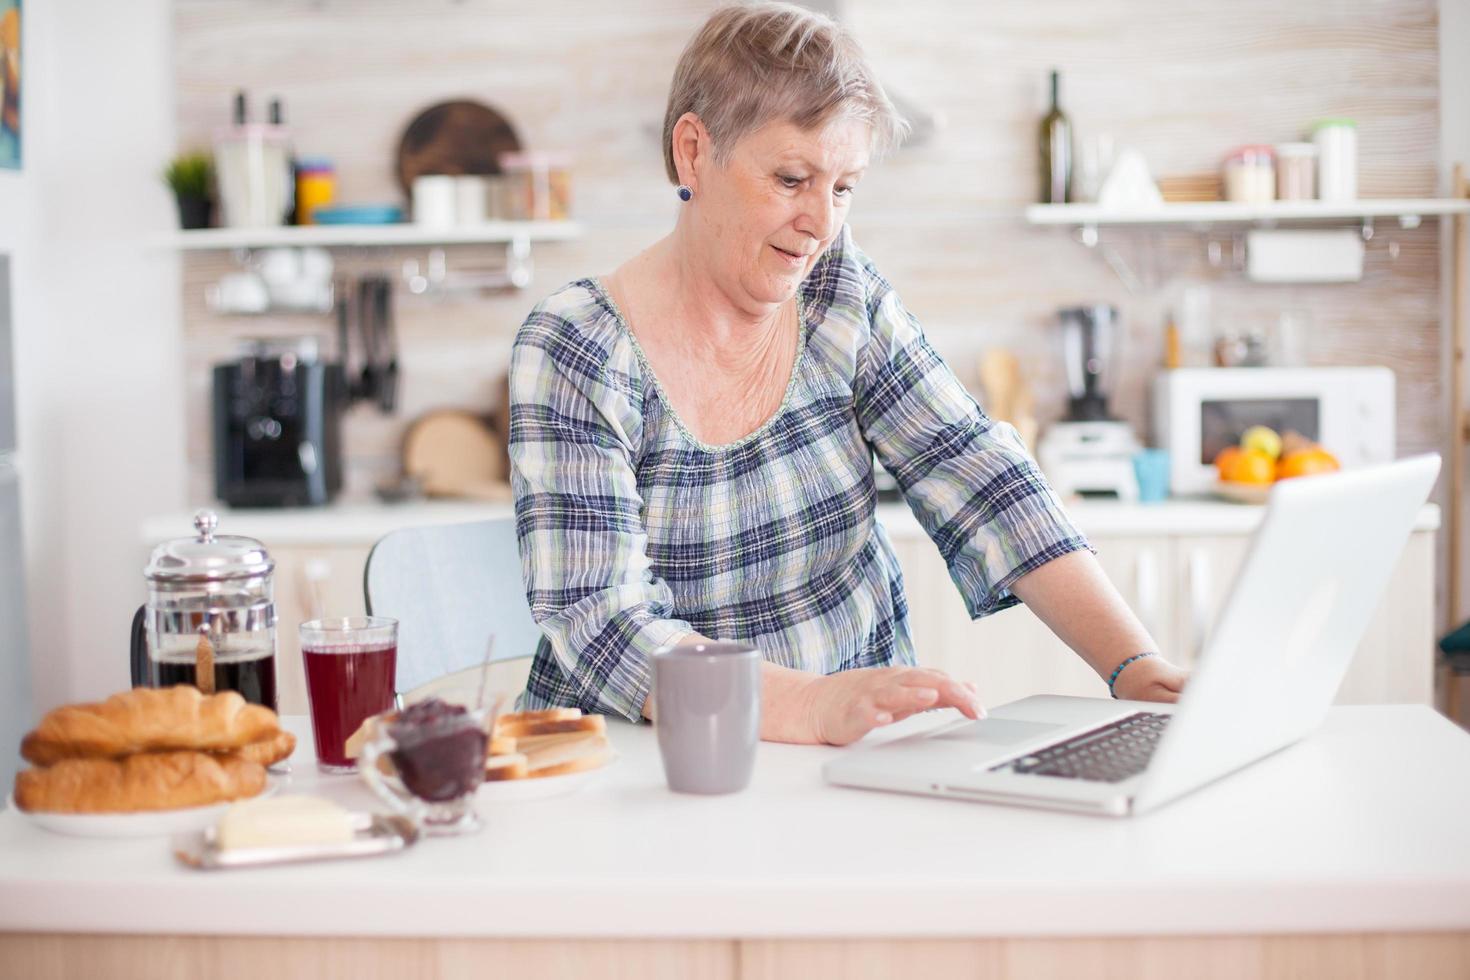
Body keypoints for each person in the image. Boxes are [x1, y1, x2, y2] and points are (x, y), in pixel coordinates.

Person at [509, 2, 1187, 746]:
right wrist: (810, 704)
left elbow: (980, 476)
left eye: (843, 187)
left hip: (856, 750)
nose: (822, 223)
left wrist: (1133, 666)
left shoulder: (841, 294)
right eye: (792, 178)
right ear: (693, 151)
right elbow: (602, 625)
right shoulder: (579, 345)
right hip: (655, 764)